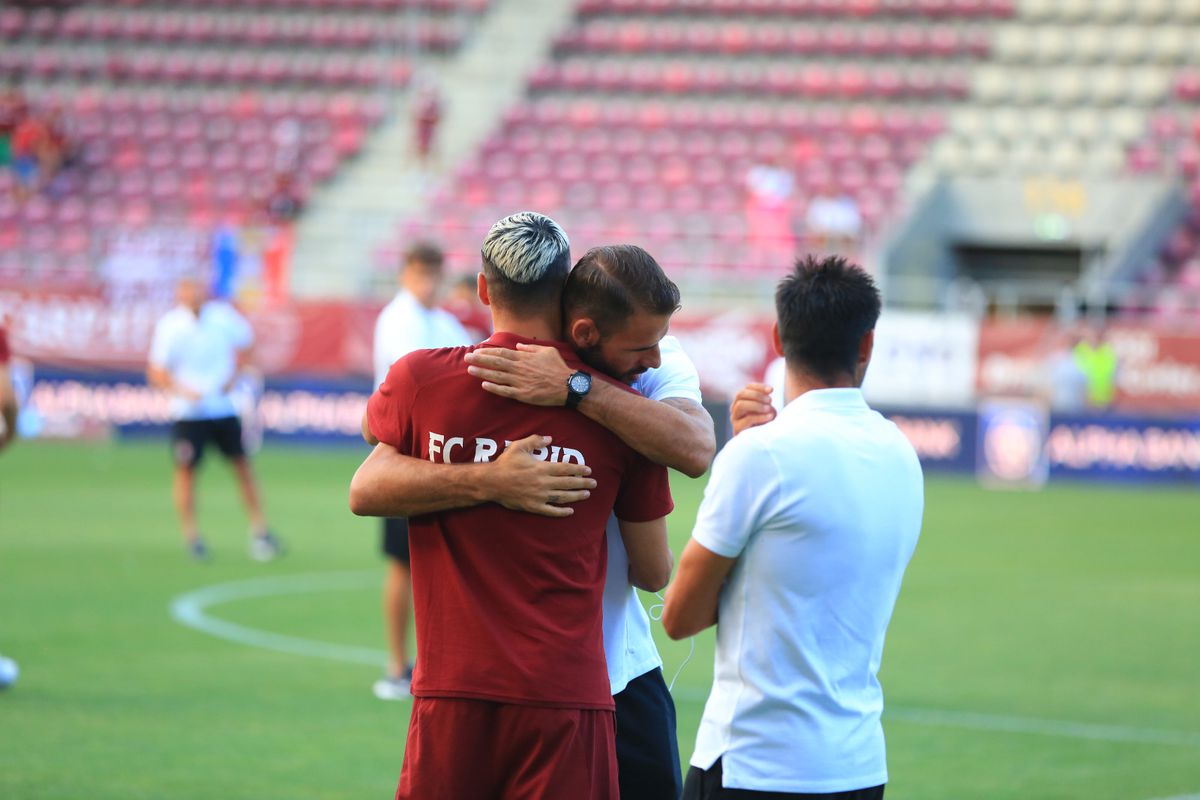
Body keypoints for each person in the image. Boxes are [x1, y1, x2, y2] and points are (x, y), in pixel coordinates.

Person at [352, 243, 715, 799]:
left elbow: (694, 447)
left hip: (609, 670)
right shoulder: (466, 373)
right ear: (586, 327)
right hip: (529, 683)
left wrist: (577, 389)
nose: (655, 360)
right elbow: (370, 471)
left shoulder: (642, 374)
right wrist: (490, 478)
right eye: (642, 349)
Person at [663, 255, 924, 800]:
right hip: (857, 766)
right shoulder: (902, 454)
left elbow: (680, 616)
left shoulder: (760, 455)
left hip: (756, 765)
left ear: (778, 341)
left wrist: (744, 453)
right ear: (867, 346)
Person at [370, 242, 472, 701]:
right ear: (406, 274)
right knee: (402, 563)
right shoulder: (398, 319)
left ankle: (449, 663)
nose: (431, 282)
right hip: (407, 454)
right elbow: (414, 381)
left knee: (448, 564)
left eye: (436, 272)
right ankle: (397, 664)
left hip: (445, 454)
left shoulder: (444, 320)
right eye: (423, 273)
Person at [147, 277, 283, 562]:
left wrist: (234, 377)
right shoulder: (170, 326)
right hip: (188, 413)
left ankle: (260, 530)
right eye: (187, 292)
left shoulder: (222, 318)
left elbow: (248, 346)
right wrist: (183, 391)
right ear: (179, 295)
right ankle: (192, 536)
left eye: (196, 291)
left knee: (242, 467)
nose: (193, 297)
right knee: (186, 473)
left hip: (223, 408)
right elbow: (157, 372)